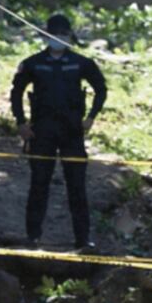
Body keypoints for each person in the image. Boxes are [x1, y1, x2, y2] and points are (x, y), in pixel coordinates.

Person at [10, 14, 107, 251]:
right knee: (39, 184)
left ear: (69, 37)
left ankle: (82, 240)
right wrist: (21, 123)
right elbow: (16, 92)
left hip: (72, 132)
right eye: (54, 35)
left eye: (63, 35)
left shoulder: (80, 63)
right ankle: (33, 237)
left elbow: (101, 89)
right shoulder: (34, 63)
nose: (58, 39)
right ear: (45, 36)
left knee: (76, 186)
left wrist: (91, 117)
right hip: (41, 132)